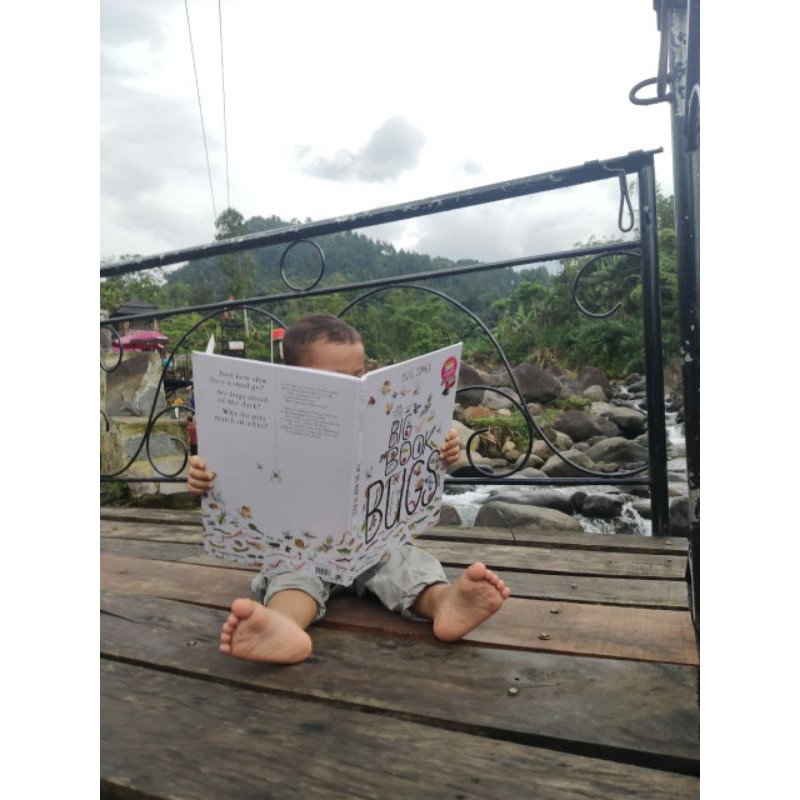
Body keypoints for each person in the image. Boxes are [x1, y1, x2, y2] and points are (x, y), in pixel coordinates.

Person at [187, 314, 510, 664]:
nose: (354, 389)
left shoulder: (372, 419)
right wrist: (203, 478)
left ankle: (443, 602)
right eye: (337, 382)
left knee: (404, 562)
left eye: (359, 377)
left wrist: (440, 450)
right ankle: (281, 626)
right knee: (292, 580)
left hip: (370, 542)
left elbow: (409, 460)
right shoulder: (269, 431)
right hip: (303, 548)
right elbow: (232, 473)